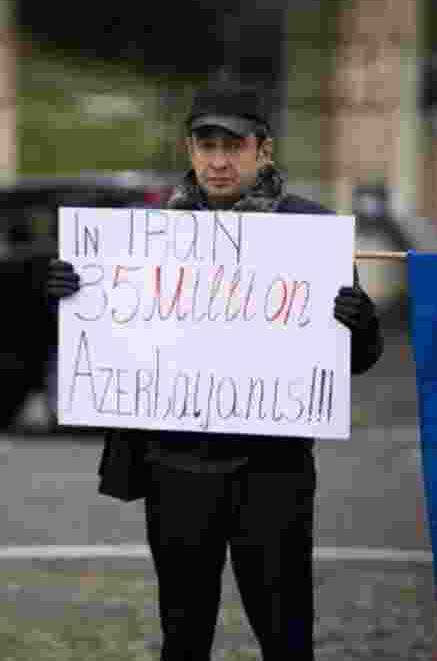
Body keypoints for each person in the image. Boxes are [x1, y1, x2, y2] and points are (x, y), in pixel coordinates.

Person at [46, 77, 384, 660]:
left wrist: (361, 322)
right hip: (175, 469)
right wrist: (70, 295)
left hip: (271, 472)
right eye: (208, 147)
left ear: (264, 150)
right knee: (183, 634)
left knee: (285, 632)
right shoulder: (145, 232)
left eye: (234, 147)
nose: (219, 161)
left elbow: (354, 361)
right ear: (189, 151)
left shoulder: (310, 231)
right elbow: (111, 337)